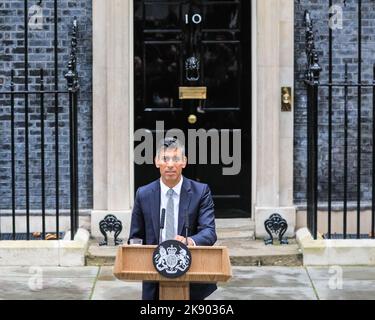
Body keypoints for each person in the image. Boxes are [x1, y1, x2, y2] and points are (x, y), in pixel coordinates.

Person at [128, 137, 217, 300]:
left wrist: (188, 241)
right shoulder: (143, 194)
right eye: (165, 159)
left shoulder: (200, 192)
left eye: (175, 159)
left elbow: (209, 232)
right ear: (156, 162)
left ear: (184, 162)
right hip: (154, 276)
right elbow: (136, 237)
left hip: (191, 274)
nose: (170, 164)